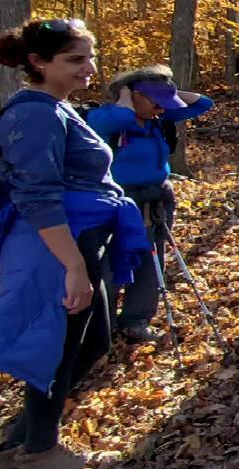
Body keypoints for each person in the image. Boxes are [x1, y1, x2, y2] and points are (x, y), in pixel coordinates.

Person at [0, 18, 152, 469]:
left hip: (83, 239)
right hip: (56, 246)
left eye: (89, 57)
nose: (89, 68)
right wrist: (73, 266)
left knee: (94, 342)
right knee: (59, 346)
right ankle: (40, 452)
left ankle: (19, 443)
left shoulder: (58, 109)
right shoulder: (34, 114)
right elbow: (37, 195)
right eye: (75, 60)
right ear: (38, 63)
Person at [85, 64, 215, 345]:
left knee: (150, 257)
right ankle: (100, 327)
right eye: (156, 102)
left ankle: (136, 320)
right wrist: (125, 97)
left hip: (157, 198)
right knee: (112, 262)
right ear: (134, 97)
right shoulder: (105, 116)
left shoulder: (158, 118)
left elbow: (203, 104)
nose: (161, 108)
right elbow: (114, 121)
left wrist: (166, 92)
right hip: (118, 201)